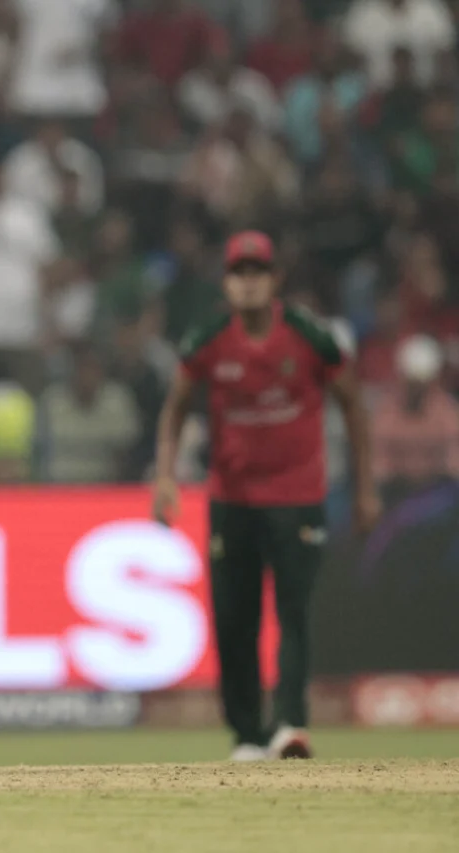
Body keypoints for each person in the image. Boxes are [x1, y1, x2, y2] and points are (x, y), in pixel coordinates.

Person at [151, 231, 380, 762]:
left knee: (293, 611)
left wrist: (365, 488)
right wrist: (165, 476)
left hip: (297, 496)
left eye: (257, 272)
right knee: (235, 619)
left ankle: (290, 724)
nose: (248, 283)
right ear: (226, 283)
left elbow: (352, 404)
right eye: (239, 273)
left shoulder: (309, 336)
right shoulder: (209, 340)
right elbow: (176, 406)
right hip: (232, 499)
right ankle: (248, 734)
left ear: (275, 280)